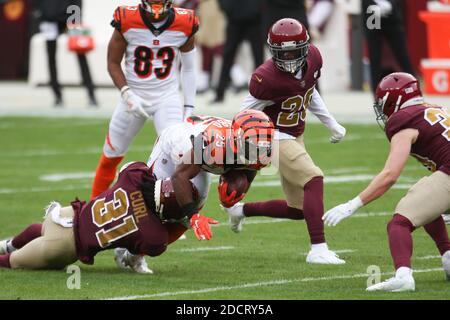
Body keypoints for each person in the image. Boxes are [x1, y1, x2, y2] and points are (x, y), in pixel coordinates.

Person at [222, 18, 347, 264]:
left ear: (305, 48)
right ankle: (318, 249)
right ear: (273, 51)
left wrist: (330, 122)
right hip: (273, 136)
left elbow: (309, 92)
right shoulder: (265, 78)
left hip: (296, 134)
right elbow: (242, 115)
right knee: (314, 179)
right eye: (283, 53)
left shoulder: (314, 58)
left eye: (294, 52)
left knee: (299, 210)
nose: (289, 58)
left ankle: (240, 210)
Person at [323, 72, 450, 292]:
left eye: (383, 103)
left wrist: (351, 205)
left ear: (395, 100)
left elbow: (390, 174)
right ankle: (448, 256)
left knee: (399, 223)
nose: (382, 109)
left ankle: (403, 276)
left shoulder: (404, 120)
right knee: (421, 193)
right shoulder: (436, 108)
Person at [114, 111, 275, 266]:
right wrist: (192, 215)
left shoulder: (260, 150)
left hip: (204, 158)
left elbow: (249, 170)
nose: (258, 151)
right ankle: (121, 236)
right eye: (253, 146)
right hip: (177, 148)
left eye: (262, 145)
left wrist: (234, 196)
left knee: (191, 206)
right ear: (238, 138)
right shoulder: (213, 141)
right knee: (160, 200)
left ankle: (137, 252)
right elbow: (180, 176)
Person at [0, 162, 217, 272]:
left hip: (65, 213)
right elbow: (147, 245)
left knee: (41, 230)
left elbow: (131, 167)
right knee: (11, 264)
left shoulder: (134, 176)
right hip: (64, 247)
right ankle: (7, 251)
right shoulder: (154, 235)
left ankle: (7, 244)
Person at [90, 0, 199, 199]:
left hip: (167, 98)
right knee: (110, 156)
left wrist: (189, 107)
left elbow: (189, 68)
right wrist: (127, 93)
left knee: (181, 158)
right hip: (133, 95)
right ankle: (89, 211)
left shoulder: (185, 21)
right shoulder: (127, 19)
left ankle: (180, 218)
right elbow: (113, 63)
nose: (156, 11)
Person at [37, 0, 97, 107]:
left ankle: (91, 94)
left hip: (71, 16)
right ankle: (57, 96)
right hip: (49, 18)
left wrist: (76, 18)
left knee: (80, 53)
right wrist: (42, 14)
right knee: (51, 58)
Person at [212, 0, 264, 103]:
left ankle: (262, 93)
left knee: (258, 58)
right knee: (227, 57)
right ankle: (220, 93)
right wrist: (228, 9)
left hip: (254, 21)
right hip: (234, 20)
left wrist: (257, 9)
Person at [362, 0, 415, 95]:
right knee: (375, 57)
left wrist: (390, 3)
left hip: (391, 10)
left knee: (402, 54)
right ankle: (377, 96)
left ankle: (415, 90)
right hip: (372, 12)